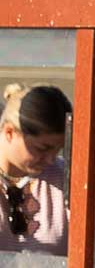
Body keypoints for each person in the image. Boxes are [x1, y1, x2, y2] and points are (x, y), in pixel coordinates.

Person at [0, 84, 72, 255]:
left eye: (58, 150)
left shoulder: (64, 178)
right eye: (42, 148)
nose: (50, 159)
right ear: (9, 132)